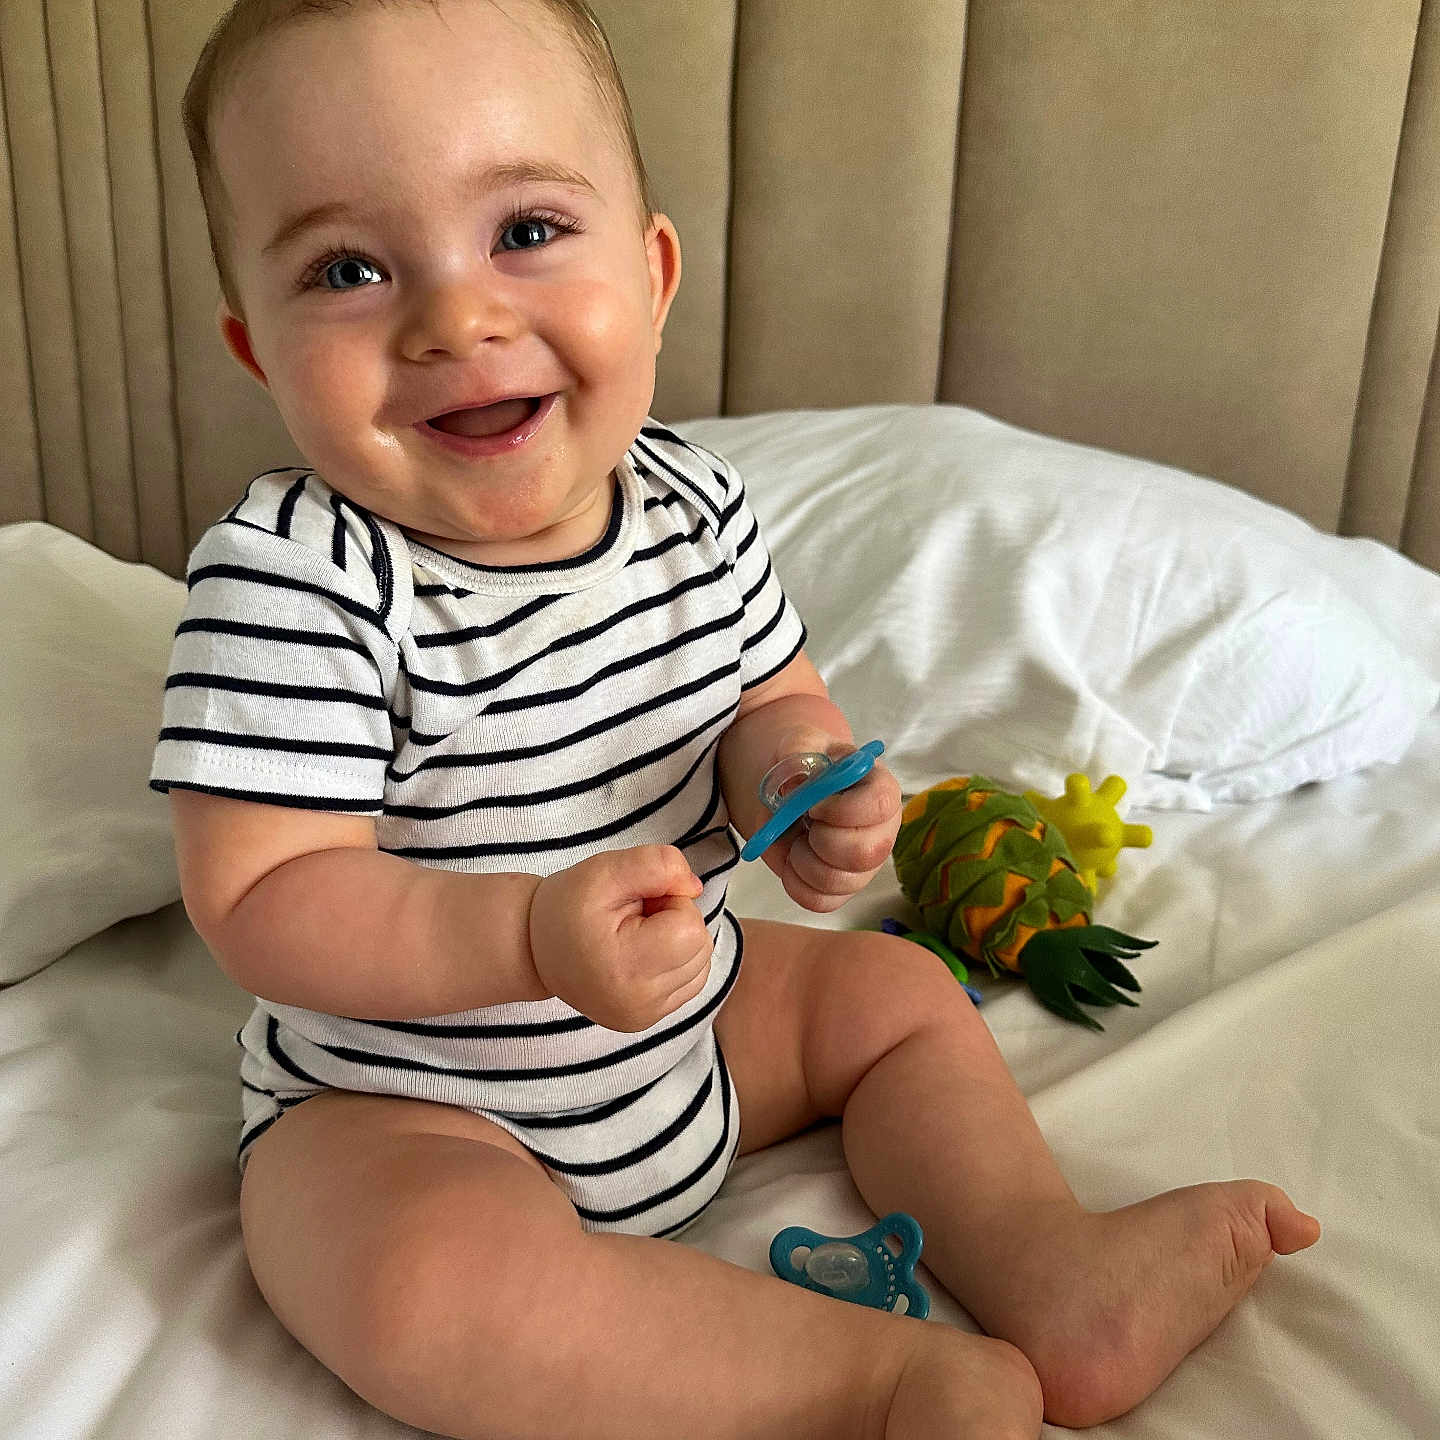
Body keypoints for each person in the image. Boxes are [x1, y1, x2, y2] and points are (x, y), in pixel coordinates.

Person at [153, 1, 1321, 1435]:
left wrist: (809, 776)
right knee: (413, 1284)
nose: (455, 316)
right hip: (414, 1106)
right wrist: (524, 936)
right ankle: (882, 1383)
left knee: (892, 999)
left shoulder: (694, 509)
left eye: (524, 229)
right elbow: (265, 893)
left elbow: (765, 698)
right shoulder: (296, 577)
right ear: (259, 351)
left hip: (695, 1026)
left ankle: (1054, 1270)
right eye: (347, 266)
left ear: (650, 277)